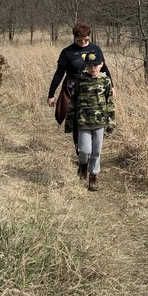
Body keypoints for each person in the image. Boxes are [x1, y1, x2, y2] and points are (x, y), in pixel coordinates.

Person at [47, 22, 113, 148]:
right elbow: (59, 74)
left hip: (94, 89)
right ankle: (80, 148)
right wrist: (51, 95)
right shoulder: (67, 52)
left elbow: (104, 69)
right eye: (79, 40)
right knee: (78, 118)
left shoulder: (95, 49)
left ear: (89, 37)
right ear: (74, 38)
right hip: (73, 89)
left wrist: (112, 87)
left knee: (94, 117)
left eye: (86, 39)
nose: (83, 42)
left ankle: (93, 146)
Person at [70, 54, 116, 190]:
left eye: (95, 65)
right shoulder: (80, 80)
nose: (92, 68)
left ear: (101, 64)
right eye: (89, 65)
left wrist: (111, 122)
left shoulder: (106, 81)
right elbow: (73, 102)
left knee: (96, 152)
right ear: (86, 65)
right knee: (84, 150)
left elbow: (110, 103)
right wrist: (69, 122)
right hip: (83, 122)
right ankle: (83, 164)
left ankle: (93, 177)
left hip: (99, 122)